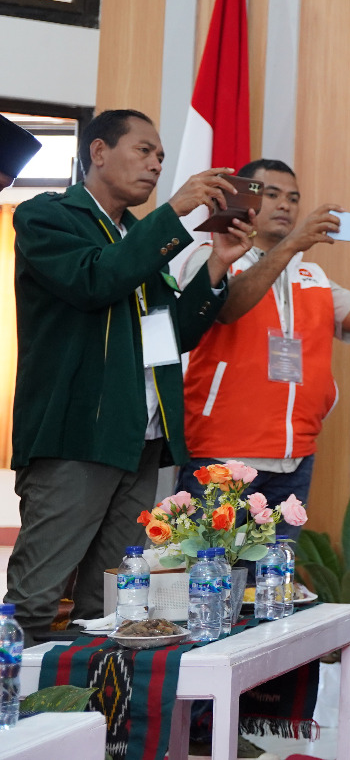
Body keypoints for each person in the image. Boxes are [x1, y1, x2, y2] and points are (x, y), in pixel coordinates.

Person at [5, 109, 249, 642]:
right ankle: (14, 720)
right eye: (144, 150)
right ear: (97, 152)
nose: (156, 164)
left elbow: (172, 335)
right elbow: (94, 281)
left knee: (111, 605)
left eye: (161, 156)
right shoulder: (48, 216)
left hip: (140, 441)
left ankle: (91, 719)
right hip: (77, 436)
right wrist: (175, 216)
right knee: (35, 602)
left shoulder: (139, 236)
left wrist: (216, 265)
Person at [176, 158, 350, 538]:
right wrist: (295, 243)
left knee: (270, 583)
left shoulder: (312, 275)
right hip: (222, 454)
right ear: (246, 200)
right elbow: (228, 308)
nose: (285, 205)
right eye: (273, 194)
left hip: (294, 457)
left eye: (293, 198)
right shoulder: (211, 258)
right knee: (206, 579)